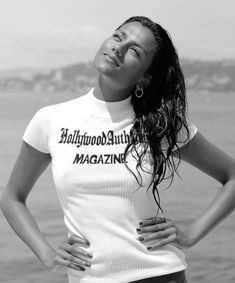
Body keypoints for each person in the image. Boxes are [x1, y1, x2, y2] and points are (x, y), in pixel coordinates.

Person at [1, 15, 235, 283]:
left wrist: (191, 234)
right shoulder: (51, 121)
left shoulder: (159, 125)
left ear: (145, 78)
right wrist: (46, 254)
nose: (118, 48)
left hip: (159, 274)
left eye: (134, 50)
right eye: (118, 36)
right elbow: (12, 198)